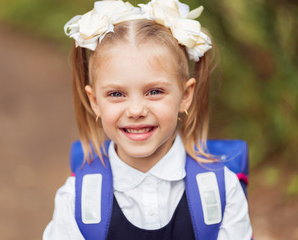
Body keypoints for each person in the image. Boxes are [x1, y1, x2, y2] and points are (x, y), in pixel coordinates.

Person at [43, 0, 253, 239]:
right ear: (94, 101)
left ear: (185, 96)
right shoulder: (76, 200)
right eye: (116, 94)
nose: (135, 110)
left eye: (154, 92)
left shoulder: (221, 191)